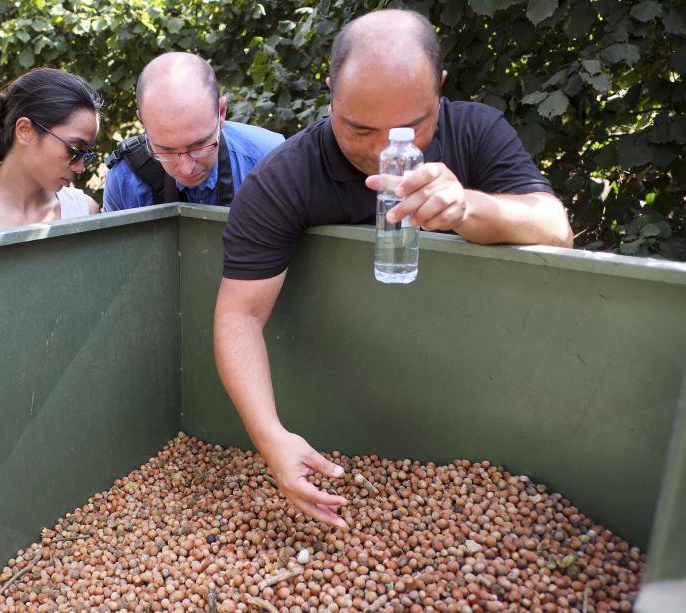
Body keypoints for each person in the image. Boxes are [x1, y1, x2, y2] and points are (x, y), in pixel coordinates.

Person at [213, 9, 574, 530]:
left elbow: (555, 228)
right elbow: (239, 316)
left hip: (488, 408)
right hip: (350, 409)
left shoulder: (475, 131)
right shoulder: (284, 179)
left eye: (413, 128)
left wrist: (470, 209)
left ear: (440, 90)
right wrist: (271, 437)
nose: (386, 152)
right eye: (359, 128)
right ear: (331, 89)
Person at [102, 52, 284, 211]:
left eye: (199, 145)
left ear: (221, 112)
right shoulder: (124, 177)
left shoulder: (274, 160)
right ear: (143, 121)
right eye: (166, 150)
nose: (186, 170)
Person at [0, 69, 101, 235]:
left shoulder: (84, 211)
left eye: (86, 155)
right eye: (74, 150)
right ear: (24, 130)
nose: (80, 168)